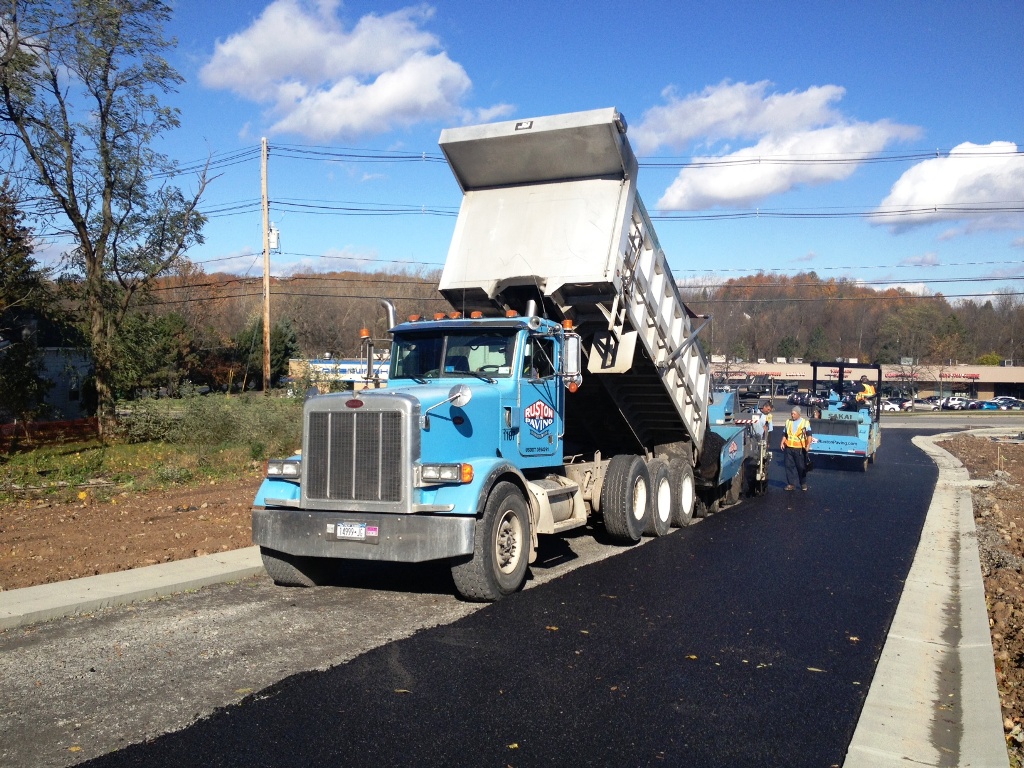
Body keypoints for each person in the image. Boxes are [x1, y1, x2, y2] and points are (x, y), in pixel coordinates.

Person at [781, 406, 812, 491]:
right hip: (789, 448)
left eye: (794, 414)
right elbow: (785, 434)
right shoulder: (788, 422)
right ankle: (791, 484)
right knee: (789, 466)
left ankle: (803, 483)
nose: (792, 415)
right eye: (791, 413)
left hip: (800, 449)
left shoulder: (805, 423)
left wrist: (808, 445)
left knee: (801, 467)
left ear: (798, 414)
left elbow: (809, 435)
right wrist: (782, 442)